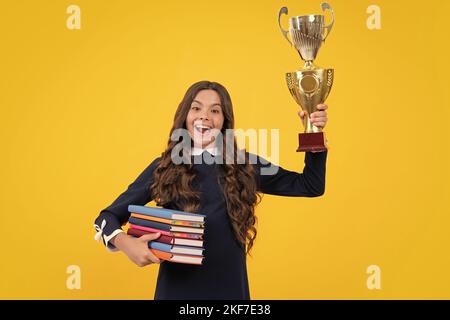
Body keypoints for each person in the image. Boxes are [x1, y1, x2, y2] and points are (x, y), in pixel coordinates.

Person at [93, 80, 328, 299]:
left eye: (215, 110)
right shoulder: (164, 168)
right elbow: (106, 217)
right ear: (184, 116)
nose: (204, 117)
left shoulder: (245, 165)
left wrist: (313, 131)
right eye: (196, 108)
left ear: (225, 121)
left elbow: (310, 185)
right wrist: (126, 243)